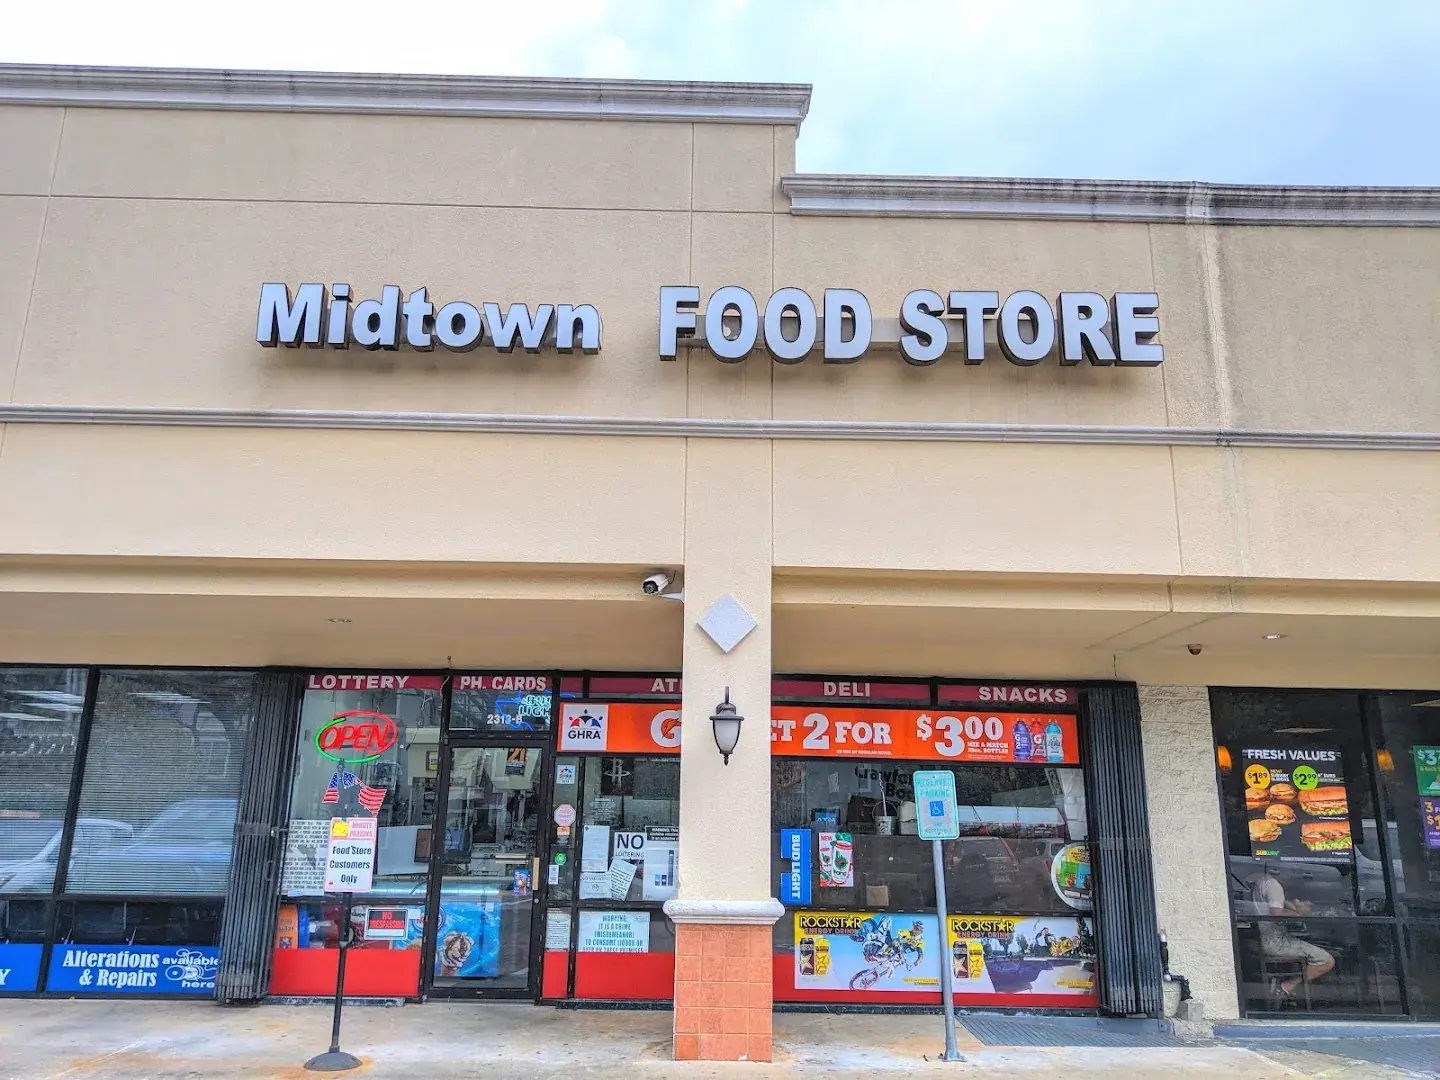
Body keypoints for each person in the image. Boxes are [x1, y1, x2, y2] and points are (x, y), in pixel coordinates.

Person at [1251, 869, 1334, 1004]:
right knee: (1327, 960)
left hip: (1265, 939)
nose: (1293, 875)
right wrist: (1299, 913)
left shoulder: (1261, 879)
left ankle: (1288, 994)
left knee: (1303, 951)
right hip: (1275, 942)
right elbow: (1276, 913)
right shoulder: (1274, 886)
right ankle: (1285, 988)